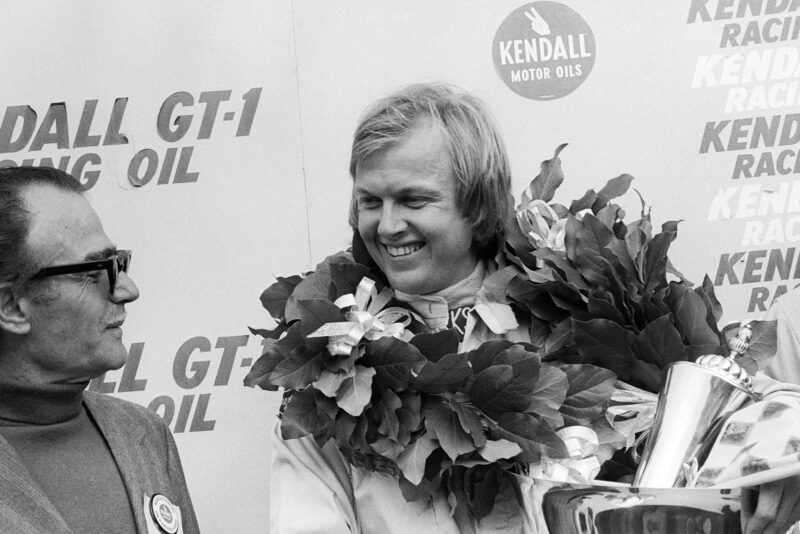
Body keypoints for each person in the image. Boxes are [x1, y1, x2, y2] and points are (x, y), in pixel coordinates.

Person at [269, 83, 800, 533]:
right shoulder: (330, 374)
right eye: (370, 201)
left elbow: (733, 389)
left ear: (478, 204)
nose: (386, 227)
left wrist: (775, 461)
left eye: (413, 200)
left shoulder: (588, 313)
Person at [0, 167, 199, 534]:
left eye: (119, 263)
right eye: (96, 270)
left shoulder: (144, 433)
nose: (127, 289)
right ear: (11, 307)